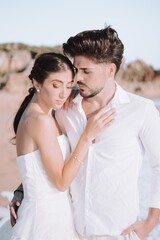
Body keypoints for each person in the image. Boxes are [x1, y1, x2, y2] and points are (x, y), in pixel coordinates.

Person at [9, 26, 160, 240]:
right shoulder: (64, 108)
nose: (77, 78)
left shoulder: (141, 110)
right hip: (70, 229)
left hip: (118, 232)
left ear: (110, 70)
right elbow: (46, 157)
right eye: (76, 69)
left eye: (86, 71)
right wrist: (23, 191)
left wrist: (151, 221)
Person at [0, 52, 115, 240]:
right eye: (56, 85)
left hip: (53, 214)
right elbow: (61, 183)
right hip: (46, 221)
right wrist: (86, 136)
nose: (64, 93)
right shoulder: (40, 120)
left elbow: (37, 168)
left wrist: (21, 191)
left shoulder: (42, 114)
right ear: (37, 84)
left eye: (69, 86)